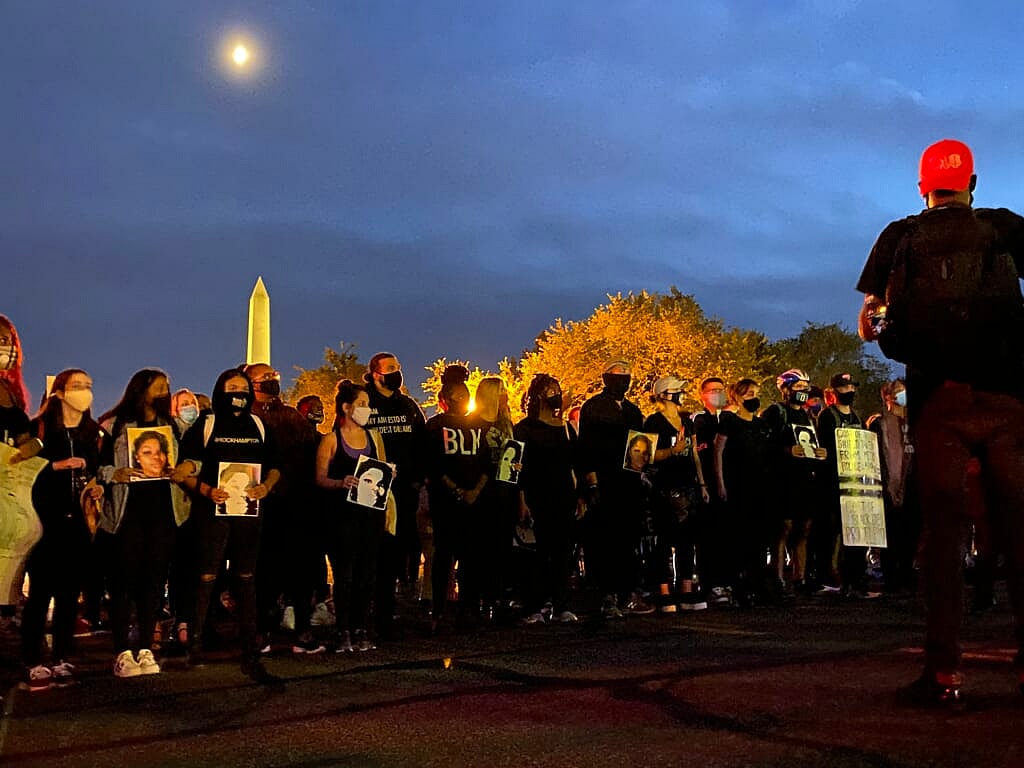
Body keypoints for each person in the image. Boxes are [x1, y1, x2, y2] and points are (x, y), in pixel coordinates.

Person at [857, 138, 1024, 707]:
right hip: (1007, 400)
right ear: (973, 184)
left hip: (938, 404)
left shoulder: (900, 236)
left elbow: (872, 320)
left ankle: (945, 672)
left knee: (946, 535)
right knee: (1020, 533)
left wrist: (888, 330)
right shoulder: (1002, 226)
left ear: (922, 188)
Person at [177, 368, 282, 685]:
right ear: (220, 390)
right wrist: (207, 490)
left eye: (243, 387)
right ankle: (194, 644)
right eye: (231, 387)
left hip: (249, 512)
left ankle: (249, 646)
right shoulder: (206, 425)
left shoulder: (259, 425)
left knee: (246, 579)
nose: (238, 392)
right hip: (211, 512)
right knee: (206, 576)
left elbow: (275, 465)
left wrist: (266, 487)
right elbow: (188, 467)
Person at [97, 369, 193, 678]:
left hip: (164, 512)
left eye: (167, 387)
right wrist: (116, 474)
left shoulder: (174, 427)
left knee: (153, 582)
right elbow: (98, 467)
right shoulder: (116, 425)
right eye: (159, 387)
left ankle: (147, 647)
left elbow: (196, 459)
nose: (165, 392)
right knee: (124, 582)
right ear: (142, 389)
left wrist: (184, 469)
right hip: (127, 513)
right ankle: (122, 650)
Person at [22, 369, 106, 691]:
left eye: (88, 385)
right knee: (40, 593)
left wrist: (97, 486)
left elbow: (98, 470)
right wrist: (54, 466)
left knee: (70, 593)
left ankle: (61, 656)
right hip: (44, 521)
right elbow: (18, 466)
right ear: (59, 393)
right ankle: (32, 658)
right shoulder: (39, 428)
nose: (85, 392)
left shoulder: (93, 434)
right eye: (77, 386)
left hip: (79, 523)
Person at [243, 363, 321, 653]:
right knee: (264, 572)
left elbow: (311, 453)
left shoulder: (290, 416)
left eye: (274, 376)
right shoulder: (246, 418)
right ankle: (262, 630)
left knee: (300, 571)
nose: (272, 380)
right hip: (263, 504)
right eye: (264, 377)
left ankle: (303, 629)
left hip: (297, 505)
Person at [316, 380, 390, 652]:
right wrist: (340, 482)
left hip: (370, 515)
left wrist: (388, 474)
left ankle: (360, 627)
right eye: (361, 404)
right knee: (344, 573)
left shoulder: (374, 437)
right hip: (342, 517)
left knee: (367, 573)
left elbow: (381, 466)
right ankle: (343, 629)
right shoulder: (331, 440)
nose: (366, 409)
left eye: (367, 405)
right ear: (346, 407)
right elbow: (320, 478)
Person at [577, 360, 653, 618]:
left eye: (627, 376)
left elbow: (640, 447)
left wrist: (642, 472)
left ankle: (626, 592)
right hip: (605, 483)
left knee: (627, 540)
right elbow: (586, 449)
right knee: (603, 542)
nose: (624, 381)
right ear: (606, 378)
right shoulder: (593, 408)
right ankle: (604, 595)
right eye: (618, 376)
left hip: (629, 484)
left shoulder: (632, 411)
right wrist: (592, 482)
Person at [362, 352, 427, 639]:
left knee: (396, 553)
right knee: (372, 553)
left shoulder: (408, 405)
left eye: (398, 368)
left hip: (404, 492)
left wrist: (416, 480)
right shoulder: (364, 402)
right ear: (376, 373)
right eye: (390, 369)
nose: (396, 373)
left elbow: (423, 443)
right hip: (373, 490)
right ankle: (366, 612)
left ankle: (388, 612)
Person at [424, 366, 488, 631]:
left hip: (473, 502)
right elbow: (432, 465)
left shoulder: (478, 425)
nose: (461, 399)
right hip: (446, 504)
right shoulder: (435, 426)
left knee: (471, 558)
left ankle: (469, 608)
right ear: (446, 399)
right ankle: (439, 609)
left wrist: (476, 490)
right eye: (456, 395)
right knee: (444, 557)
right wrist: (455, 489)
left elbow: (487, 463)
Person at [514, 374, 582, 624]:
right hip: (536, 496)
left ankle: (561, 604)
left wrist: (580, 496)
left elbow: (576, 464)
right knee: (539, 554)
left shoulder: (565, 428)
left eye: (558, 389)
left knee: (563, 553)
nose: (557, 395)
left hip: (563, 495)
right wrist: (521, 499)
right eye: (551, 390)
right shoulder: (524, 428)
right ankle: (535, 605)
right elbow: (516, 466)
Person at [644, 376, 710, 612]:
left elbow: (695, 455)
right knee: (664, 540)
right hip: (664, 487)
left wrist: (702, 485)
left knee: (687, 541)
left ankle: (686, 588)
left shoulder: (687, 422)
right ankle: (663, 591)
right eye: (676, 391)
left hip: (688, 487)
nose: (681, 394)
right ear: (664, 395)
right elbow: (647, 456)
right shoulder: (653, 422)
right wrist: (673, 451)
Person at [761, 369, 827, 598]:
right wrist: (786, 450)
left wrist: (819, 454)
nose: (803, 391)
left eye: (805, 387)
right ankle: (777, 577)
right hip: (783, 479)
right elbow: (763, 443)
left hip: (804, 478)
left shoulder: (808, 416)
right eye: (798, 387)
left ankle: (801, 577)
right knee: (783, 527)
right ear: (786, 389)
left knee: (804, 527)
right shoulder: (775, 412)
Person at [714, 378, 775, 607]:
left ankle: (758, 584)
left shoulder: (761, 425)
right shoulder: (729, 421)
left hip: (760, 486)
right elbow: (718, 452)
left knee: (760, 539)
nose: (753, 398)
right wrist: (720, 483)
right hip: (738, 486)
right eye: (748, 394)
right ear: (737, 397)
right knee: (740, 538)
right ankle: (739, 587)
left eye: (755, 393)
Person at [0, 315, 43, 628]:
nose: (4, 346)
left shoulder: (11, 392)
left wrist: (34, 446)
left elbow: (26, 438)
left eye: (6, 340)